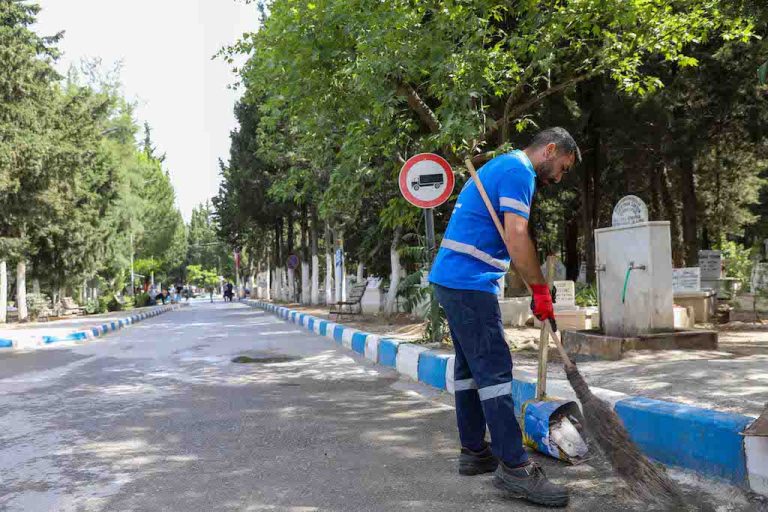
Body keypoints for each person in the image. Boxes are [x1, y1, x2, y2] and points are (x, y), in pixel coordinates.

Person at [428, 127, 580, 508]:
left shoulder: (503, 166)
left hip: (454, 279)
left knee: (469, 370)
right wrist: (541, 290)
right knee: (495, 372)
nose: (559, 177)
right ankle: (514, 469)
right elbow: (516, 235)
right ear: (549, 150)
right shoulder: (518, 172)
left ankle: (475, 452)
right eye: (561, 167)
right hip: (469, 282)